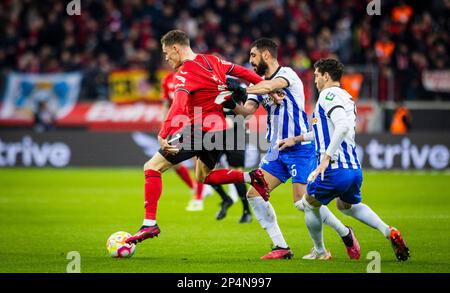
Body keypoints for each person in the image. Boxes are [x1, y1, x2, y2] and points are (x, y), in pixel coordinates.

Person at [125, 30, 269, 245]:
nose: (166, 58)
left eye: (166, 53)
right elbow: (242, 72)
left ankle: (149, 224)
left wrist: (164, 133)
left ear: (176, 48)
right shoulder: (213, 60)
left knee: (151, 167)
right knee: (204, 177)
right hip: (220, 132)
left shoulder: (183, 73)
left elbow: (179, 104)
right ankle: (251, 177)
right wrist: (267, 87)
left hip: (199, 130)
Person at [228, 38, 360, 260]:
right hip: (276, 149)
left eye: (253, 55)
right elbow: (246, 111)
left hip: (300, 147)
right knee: (255, 194)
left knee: (302, 203)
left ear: (266, 55)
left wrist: (243, 86)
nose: (250, 60)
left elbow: (270, 86)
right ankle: (281, 246)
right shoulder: (258, 84)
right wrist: (230, 101)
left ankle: (345, 233)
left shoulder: (287, 75)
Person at [296, 58, 410, 261]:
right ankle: (388, 231)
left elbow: (342, 127)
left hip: (334, 167)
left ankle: (320, 251)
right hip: (353, 169)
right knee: (345, 206)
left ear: (326, 76)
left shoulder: (327, 95)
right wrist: (297, 139)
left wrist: (325, 159)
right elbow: (325, 131)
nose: (314, 81)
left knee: (309, 203)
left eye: (316, 76)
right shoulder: (347, 98)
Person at [160, 69, 205, 211]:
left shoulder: (194, 76)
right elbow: (166, 105)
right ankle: (194, 187)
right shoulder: (167, 80)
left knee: (197, 161)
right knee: (172, 162)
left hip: (191, 124)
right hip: (174, 126)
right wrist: (164, 127)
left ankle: (198, 198)